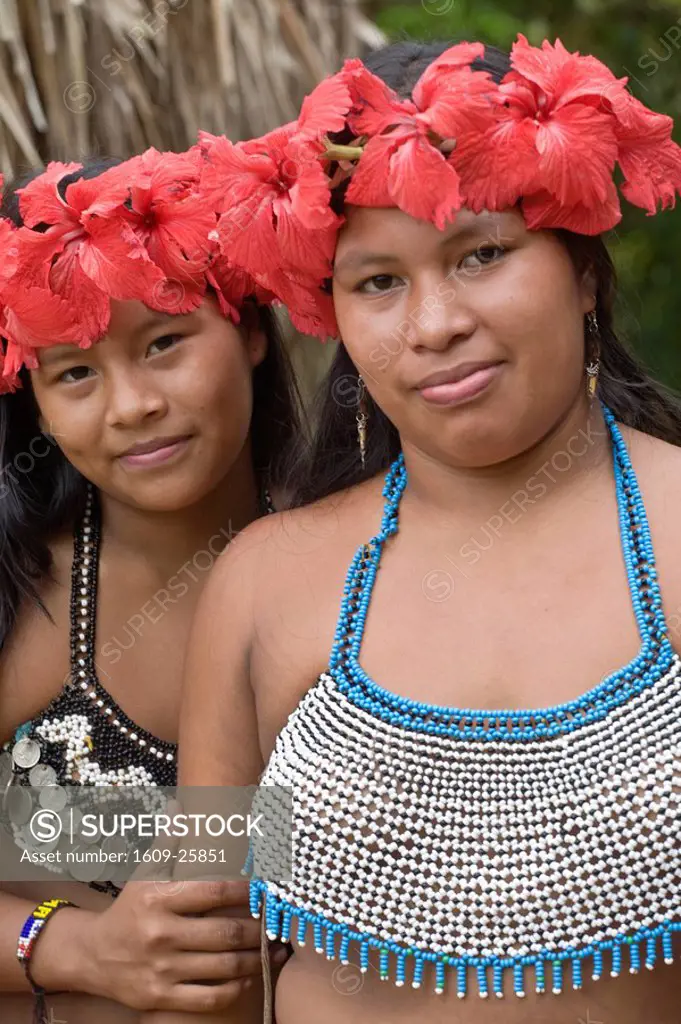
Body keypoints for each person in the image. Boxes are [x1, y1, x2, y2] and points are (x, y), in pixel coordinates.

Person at [175, 35, 681, 1024]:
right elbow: (201, 949)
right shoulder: (264, 583)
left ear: (584, 271)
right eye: (378, 283)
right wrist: (42, 931)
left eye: (482, 252)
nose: (435, 322)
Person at [0, 148, 300, 1022]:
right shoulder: (25, 591)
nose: (131, 404)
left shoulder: (349, 573)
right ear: (39, 404)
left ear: (247, 329)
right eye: (77, 373)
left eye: (164, 342)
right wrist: (78, 948)